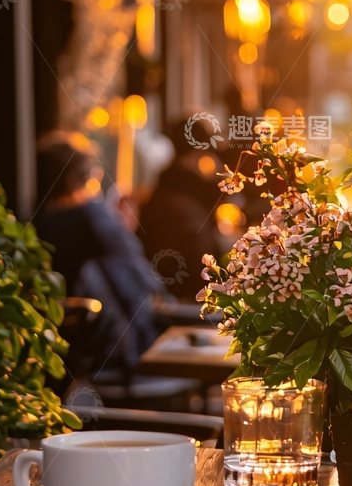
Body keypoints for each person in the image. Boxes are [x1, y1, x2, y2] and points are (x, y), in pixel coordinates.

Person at [34, 132, 164, 381]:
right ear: (75, 180)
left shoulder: (38, 224)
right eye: (92, 176)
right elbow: (144, 280)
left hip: (70, 359)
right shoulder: (89, 218)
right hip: (115, 358)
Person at [139, 118, 223, 301]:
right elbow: (196, 266)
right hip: (186, 303)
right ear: (201, 154)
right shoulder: (188, 205)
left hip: (165, 297)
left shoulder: (162, 193)